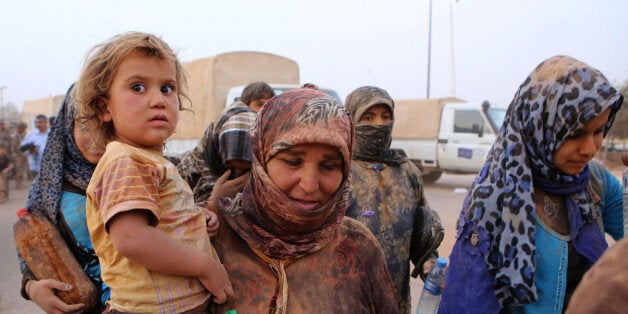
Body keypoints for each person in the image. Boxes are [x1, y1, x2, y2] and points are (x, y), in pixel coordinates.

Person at [439, 55, 624, 313]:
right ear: (540, 127)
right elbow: (470, 300)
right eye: (575, 134)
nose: (590, 148)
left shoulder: (595, 181)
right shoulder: (494, 198)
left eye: (599, 131)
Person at [76, 31, 232, 313]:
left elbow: (158, 221)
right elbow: (133, 238)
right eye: (137, 87)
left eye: (167, 88)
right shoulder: (125, 161)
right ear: (104, 107)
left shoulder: (148, 160)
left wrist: (195, 218)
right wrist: (207, 267)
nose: (158, 100)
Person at [210, 88, 399, 313]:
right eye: (292, 162)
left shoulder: (359, 246)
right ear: (261, 157)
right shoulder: (210, 235)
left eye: (328, 166)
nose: (309, 185)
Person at [343, 86, 444, 313]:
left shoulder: (407, 171)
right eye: (368, 117)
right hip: (346, 298)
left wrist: (428, 260)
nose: (379, 124)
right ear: (350, 120)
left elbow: (421, 225)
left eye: (386, 117)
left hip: (395, 299)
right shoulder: (339, 169)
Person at [17, 85, 109, 313]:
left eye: (108, 126)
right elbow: (33, 243)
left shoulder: (150, 170)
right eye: (86, 126)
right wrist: (31, 287)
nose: (97, 139)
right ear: (69, 126)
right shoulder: (49, 183)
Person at [177, 81, 275, 203]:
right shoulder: (193, 175)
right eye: (259, 104)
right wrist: (217, 199)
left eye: (269, 104)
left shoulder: (270, 136)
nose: (265, 109)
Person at [20, 114, 49, 178]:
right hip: (35, 168)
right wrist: (30, 151)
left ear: (46, 122)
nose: (38, 125)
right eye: (36, 122)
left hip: (49, 168)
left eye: (40, 122)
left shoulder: (52, 133)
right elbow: (23, 149)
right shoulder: (31, 134)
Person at [11, 122, 28, 189]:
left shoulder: (25, 134)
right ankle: (18, 184)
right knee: (18, 170)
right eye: (23, 128)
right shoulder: (15, 135)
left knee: (23, 169)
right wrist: (21, 156)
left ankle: (21, 182)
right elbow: (15, 148)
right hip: (17, 155)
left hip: (24, 154)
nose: (24, 130)